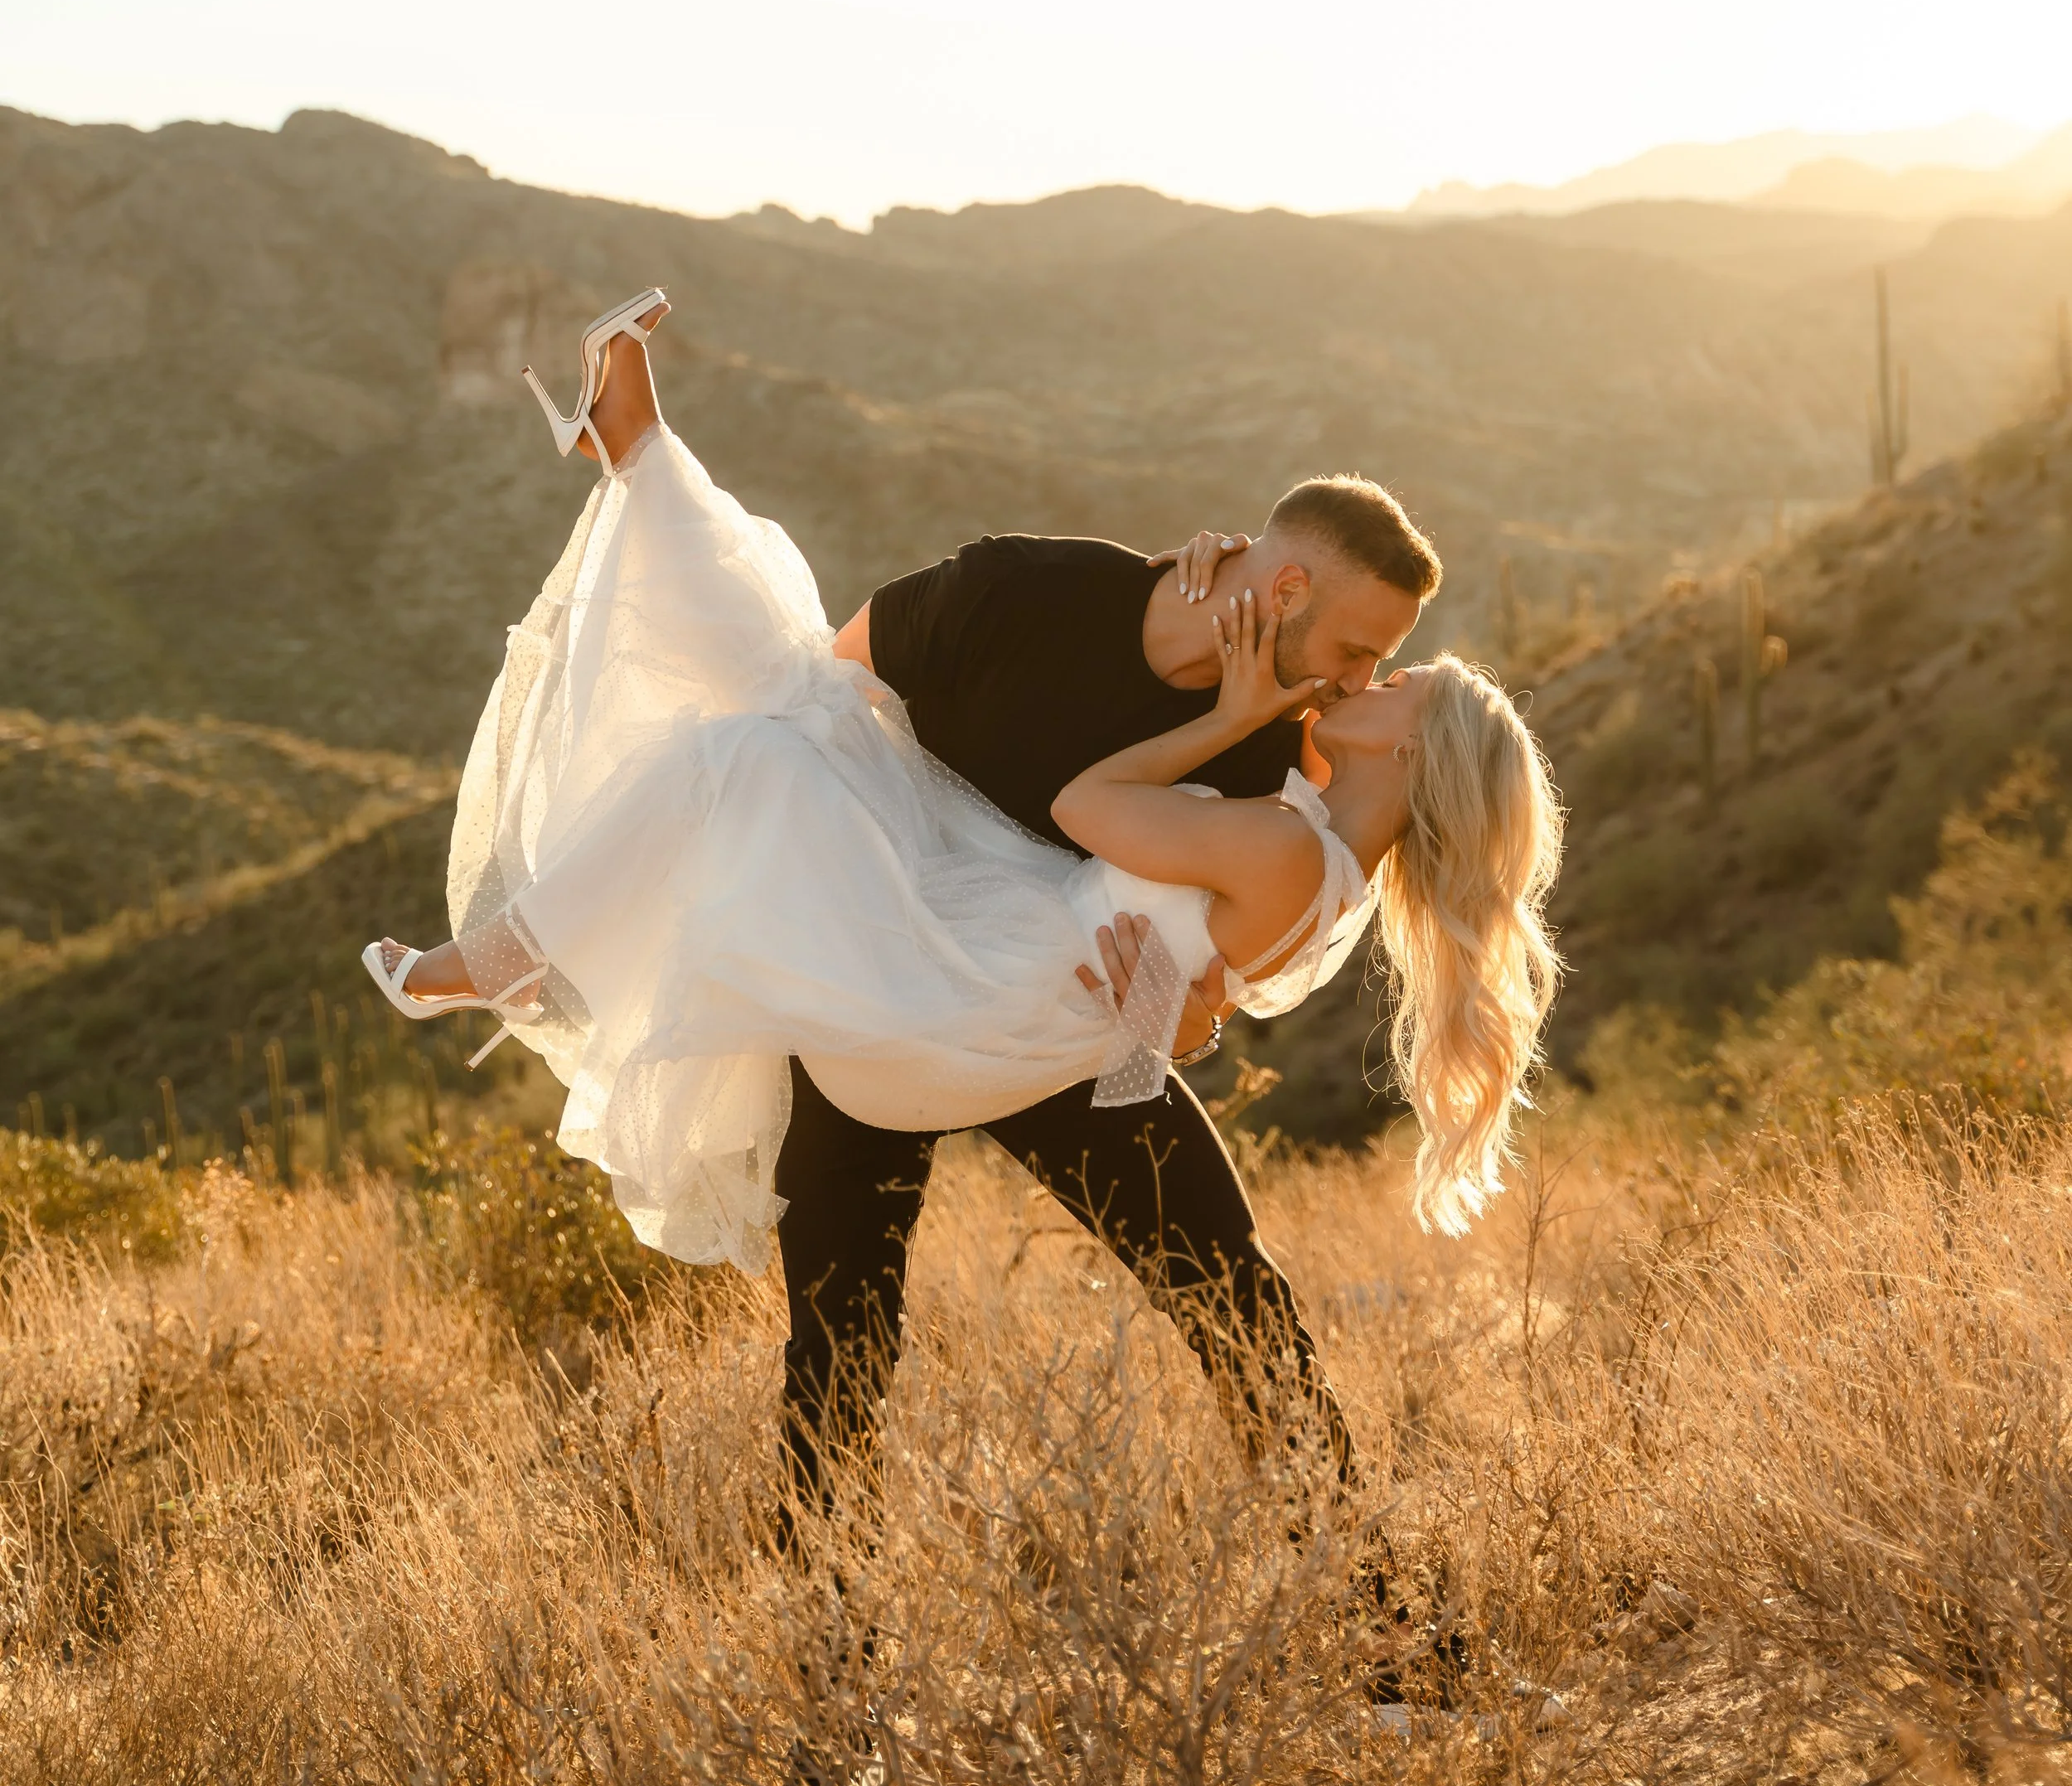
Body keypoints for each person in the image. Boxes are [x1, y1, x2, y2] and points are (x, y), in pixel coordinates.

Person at [366, 291, 1562, 1567]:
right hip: (894, 957)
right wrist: (1130, 992)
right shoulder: (1027, 591)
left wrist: (1167, 1011)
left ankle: (1400, 1653)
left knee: (1238, 1306)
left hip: (1034, 1020)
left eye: (1387, 672)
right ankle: (832, 1693)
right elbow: (831, 693)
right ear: (1276, 584)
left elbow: (1224, 955)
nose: (1358, 683)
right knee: (840, 1327)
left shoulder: (1287, 753)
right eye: (1359, 649)